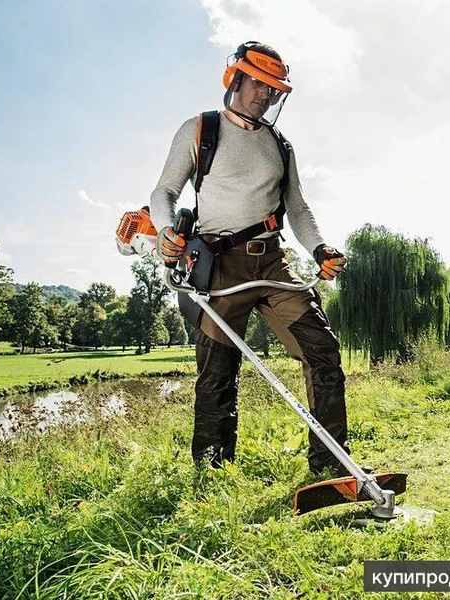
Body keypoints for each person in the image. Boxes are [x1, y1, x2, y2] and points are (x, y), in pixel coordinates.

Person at [150, 41, 360, 478]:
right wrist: (167, 230)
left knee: (322, 352)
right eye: (260, 85)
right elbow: (164, 192)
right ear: (237, 79)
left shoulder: (280, 145)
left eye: (274, 90)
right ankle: (212, 473)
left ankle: (331, 464)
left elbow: (299, 209)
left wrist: (320, 249)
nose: (266, 95)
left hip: (272, 265)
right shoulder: (201, 130)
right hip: (219, 267)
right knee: (217, 373)